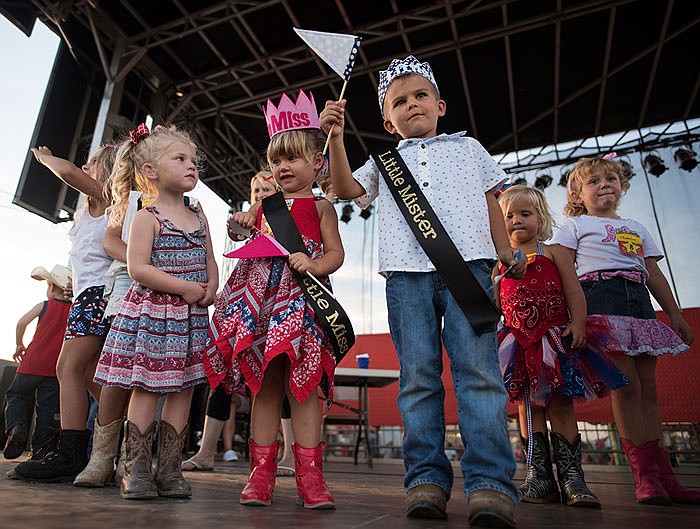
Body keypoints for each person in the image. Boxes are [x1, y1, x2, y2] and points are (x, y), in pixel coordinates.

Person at [320, 55, 524, 527]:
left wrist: (505, 251)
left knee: (479, 375)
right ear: (387, 121)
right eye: (399, 102)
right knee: (418, 379)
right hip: (405, 277)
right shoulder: (383, 162)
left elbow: (494, 203)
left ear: (441, 104)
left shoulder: (470, 149)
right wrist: (335, 139)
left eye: (420, 96)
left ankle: (491, 485)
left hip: (469, 272)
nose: (412, 105)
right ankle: (425, 481)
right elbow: (347, 189)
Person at [205, 89, 344, 509]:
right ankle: (260, 474)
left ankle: (310, 478)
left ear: (317, 163)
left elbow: (336, 254)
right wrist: (241, 223)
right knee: (264, 387)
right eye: (276, 160)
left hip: (304, 300)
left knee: (303, 390)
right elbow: (243, 233)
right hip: (262, 301)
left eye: (293, 158)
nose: (283, 167)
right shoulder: (264, 205)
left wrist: (315, 265)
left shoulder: (323, 208)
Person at [551, 155, 697, 505]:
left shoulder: (637, 227)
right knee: (626, 386)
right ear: (577, 196)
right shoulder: (575, 227)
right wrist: (577, 317)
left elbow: (654, 275)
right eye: (594, 181)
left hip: (639, 303)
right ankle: (643, 476)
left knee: (649, 390)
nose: (604, 185)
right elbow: (564, 274)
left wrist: (675, 315)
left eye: (610, 179)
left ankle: (665, 475)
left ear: (621, 186)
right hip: (602, 300)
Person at [92, 123, 218, 500]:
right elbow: (138, 268)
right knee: (146, 387)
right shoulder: (147, 217)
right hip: (154, 314)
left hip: (192, 317)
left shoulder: (199, 215)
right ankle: (136, 466)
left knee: (183, 391)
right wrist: (183, 287)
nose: (191, 165)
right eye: (179, 158)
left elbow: (209, 258)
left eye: (193, 160)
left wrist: (211, 287)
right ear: (150, 171)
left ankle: (169, 466)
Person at [495, 185, 627, 508]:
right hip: (518, 344)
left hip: (554, 341)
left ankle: (572, 477)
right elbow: (496, 304)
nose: (516, 221)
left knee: (561, 404)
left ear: (541, 219)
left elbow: (574, 291)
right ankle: (539, 477)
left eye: (525, 214)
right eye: (508, 216)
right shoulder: (499, 264)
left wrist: (579, 322)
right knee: (528, 407)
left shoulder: (553, 252)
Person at [13, 144, 117, 483]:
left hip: (99, 297)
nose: (85, 165)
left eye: (94, 161)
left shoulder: (110, 198)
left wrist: (44, 159)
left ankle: (70, 453)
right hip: (86, 296)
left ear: (110, 172)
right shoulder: (87, 212)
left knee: (66, 367)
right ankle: (122, 439)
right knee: (89, 376)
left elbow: (70, 173)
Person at [72, 129, 159, 487]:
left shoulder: (184, 209)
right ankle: (100, 457)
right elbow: (110, 239)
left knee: (148, 375)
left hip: (163, 291)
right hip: (125, 284)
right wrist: (141, 262)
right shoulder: (130, 201)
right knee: (116, 370)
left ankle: (134, 458)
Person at [182, 170, 274, 472]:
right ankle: (206, 451)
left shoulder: (292, 214)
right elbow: (236, 232)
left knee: (277, 370)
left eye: (267, 189)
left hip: (279, 295)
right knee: (222, 366)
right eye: (256, 190)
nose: (260, 194)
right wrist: (247, 215)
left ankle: (286, 455)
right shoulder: (251, 215)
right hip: (245, 294)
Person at [3, 265, 72, 460]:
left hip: (32, 363)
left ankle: (17, 427)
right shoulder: (74, 310)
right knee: (46, 411)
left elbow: (22, 322)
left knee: (15, 394)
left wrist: (19, 344)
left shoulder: (44, 305)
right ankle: (38, 453)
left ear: (51, 286)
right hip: (54, 368)